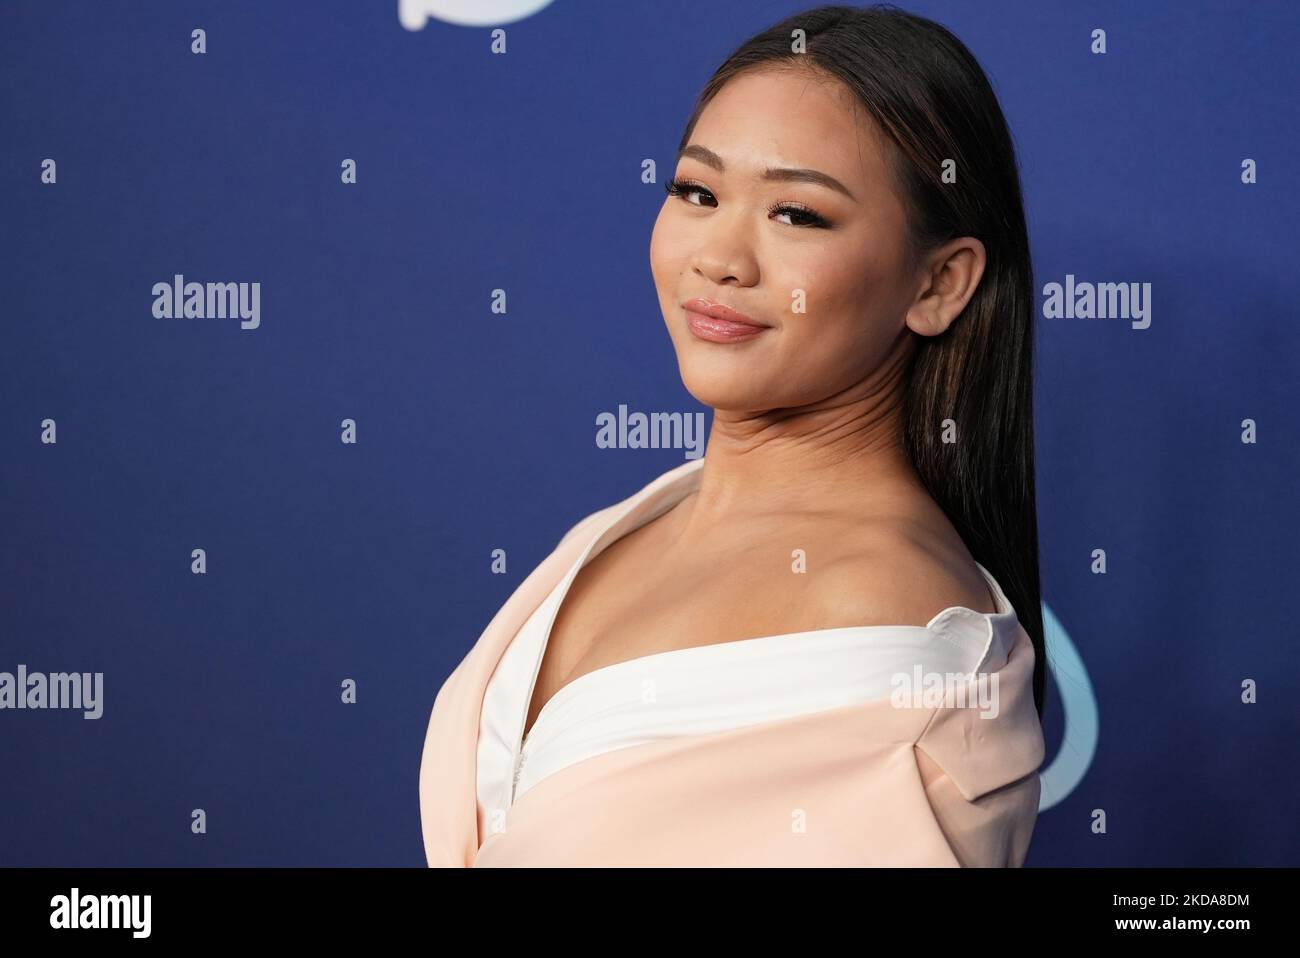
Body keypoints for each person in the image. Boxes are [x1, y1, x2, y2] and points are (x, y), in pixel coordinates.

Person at [420, 3, 1046, 867]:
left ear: (939, 283)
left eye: (796, 214)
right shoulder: (630, 525)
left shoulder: (884, 618)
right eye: (697, 192)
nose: (719, 258)